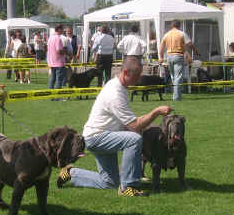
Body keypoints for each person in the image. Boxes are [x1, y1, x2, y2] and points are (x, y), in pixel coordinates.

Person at [56, 57, 172, 196]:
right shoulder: (115, 93)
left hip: (99, 136)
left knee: (109, 182)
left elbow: (129, 122)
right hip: (97, 138)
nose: (138, 79)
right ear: (125, 72)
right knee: (134, 139)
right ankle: (128, 187)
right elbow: (134, 126)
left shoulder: (119, 87)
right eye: (136, 76)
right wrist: (156, 112)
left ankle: (71, 173)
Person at [159, 20, 195, 101]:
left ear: (172, 26)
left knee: (173, 77)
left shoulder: (166, 34)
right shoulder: (182, 33)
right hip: (178, 55)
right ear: (179, 25)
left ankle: (175, 94)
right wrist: (196, 51)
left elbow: (161, 47)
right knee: (178, 77)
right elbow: (190, 44)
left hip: (169, 56)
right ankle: (176, 97)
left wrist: (161, 57)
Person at [47, 24, 67, 90]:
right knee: (59, 80)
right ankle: (57, 96)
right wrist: (65, 51)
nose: (63, 30)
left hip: (52, 61)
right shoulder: (58, 38)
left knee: (52, 78)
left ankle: (51, 94)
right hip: (59, 62)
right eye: (62, 29)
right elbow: (59, 51)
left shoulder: (50, 37)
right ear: (59, 29)